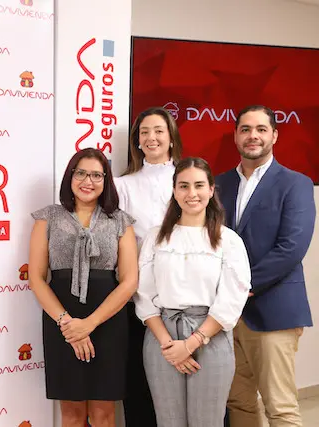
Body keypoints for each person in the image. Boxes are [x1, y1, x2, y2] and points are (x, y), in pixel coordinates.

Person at [216, 105, 316, 427]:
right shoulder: (218, 185)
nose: (253, 136)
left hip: (274, 311)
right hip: (228, 318)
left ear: (274, 135)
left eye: (261, 129)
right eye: (245, 129)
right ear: (235, 136)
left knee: (280, 406)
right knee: (238, 403)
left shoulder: (295, 183)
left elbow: (291, 249)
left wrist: (239, 287)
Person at [134, 157, 252, 427]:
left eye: (199, 185)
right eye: (183, 186)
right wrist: (169, 345)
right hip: (161, 338)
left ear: (211, 190)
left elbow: (231, 300)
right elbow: (144, 295)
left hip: (210, 336)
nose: (192, 193)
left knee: (206, 421)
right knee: (168, 421)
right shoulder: (156, 237)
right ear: (174, 191)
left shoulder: (229, 241)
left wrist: (190, 344)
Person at [28, 148, 139, 427]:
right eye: (81, 173)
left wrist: (88, 324)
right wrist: (68, 324)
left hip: (108, 322)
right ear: (70, 176)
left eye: (96, 175)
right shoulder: (47, 218)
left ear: (106, 181)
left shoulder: (121, 221)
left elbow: (129, 282)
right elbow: (37, 278)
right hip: (61, 322)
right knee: (73, 414)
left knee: (104, 413)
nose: (88, 181)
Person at [114, 106, 183, 427]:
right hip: (140, 301)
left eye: (158, 131)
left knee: (189, 384)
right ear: (136, 142)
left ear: (171, 138)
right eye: (144, 132)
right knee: (140, 385)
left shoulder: (189, 179)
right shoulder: (123, 186)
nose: (151, 137)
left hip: (187, 300)